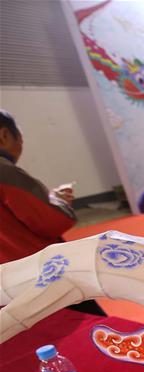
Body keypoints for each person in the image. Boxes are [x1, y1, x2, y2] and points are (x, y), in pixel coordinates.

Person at [0, 110, 104, 315]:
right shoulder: (5, 172)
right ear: (4, 135)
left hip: (6, 291)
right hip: (36, 274)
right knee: (85, 328)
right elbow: (52, 220)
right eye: (20, 137)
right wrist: (58, 201)